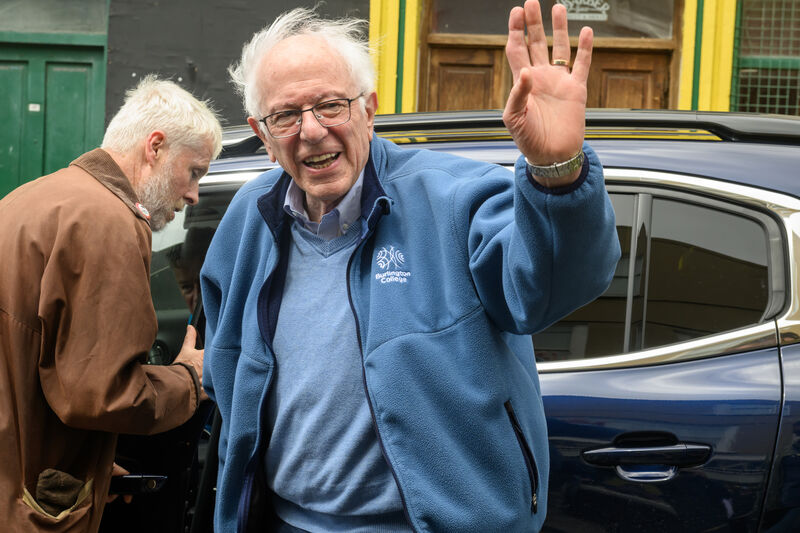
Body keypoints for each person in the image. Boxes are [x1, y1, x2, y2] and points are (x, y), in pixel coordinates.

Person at [200, 1, 620, 531]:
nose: (310, 131)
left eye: (331, 105)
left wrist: (557, 172)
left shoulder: (455, 199)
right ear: (261, 135)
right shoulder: (248, 220)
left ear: (369, 109)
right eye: (285, 115)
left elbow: (549, 288)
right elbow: (228, 371)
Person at [0, 76, 222, 533]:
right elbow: (100, 395)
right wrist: (190, 379)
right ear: (155, 147)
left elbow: (37, 367)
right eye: (195, 172)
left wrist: (95, 466)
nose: (194, 194)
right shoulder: (110, 221)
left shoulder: (31, 198)